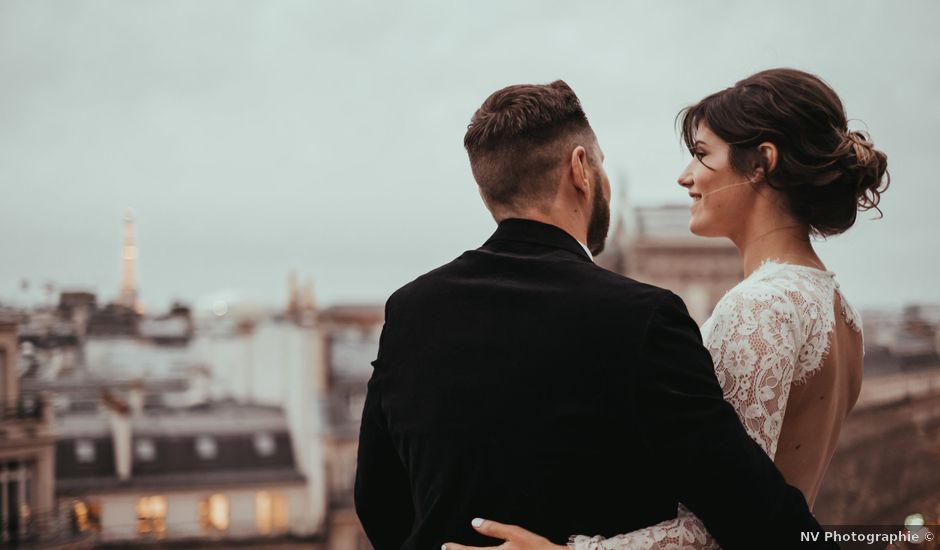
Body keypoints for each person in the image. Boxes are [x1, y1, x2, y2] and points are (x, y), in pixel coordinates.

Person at [355, 79, 836, 550]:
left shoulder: (409, 310)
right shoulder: (645, 319)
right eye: (601, 164)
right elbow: (750, 512)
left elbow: (377, 501)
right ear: (580, 169)